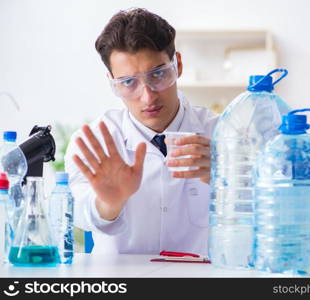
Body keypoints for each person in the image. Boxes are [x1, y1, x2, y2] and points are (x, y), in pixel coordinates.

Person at [64, 8, 218, 255]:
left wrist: (226, 178)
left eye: (158, 74)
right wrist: (109, 203)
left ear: (177, 65)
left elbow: (264, 210)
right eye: (128, 82)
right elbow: (81, 215)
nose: (147, 96)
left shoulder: (222, 135)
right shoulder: (93, 141)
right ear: (112, 83)